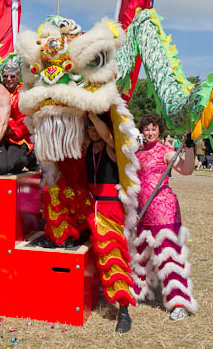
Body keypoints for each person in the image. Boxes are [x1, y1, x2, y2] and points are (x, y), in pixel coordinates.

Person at [131, 113, 198, 321]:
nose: (150, 132)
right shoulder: (138, 153)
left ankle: (179, 303)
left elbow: (187, 170)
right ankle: (141, 291)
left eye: (154, 129)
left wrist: (190, 147)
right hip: (142, 212)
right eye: (146, 129)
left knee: (169, 257)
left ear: (160, 131)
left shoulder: (167, 152)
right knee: (140, 253)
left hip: (164, 211)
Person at [84, 112, 135, 333]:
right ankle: (96, 295)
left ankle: (123, 311)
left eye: (96, 127)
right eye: (89, 127)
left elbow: (106, 135)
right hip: (90, 207)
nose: (93, 130)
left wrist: (92, 112)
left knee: (114, 257)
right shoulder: (86, 147)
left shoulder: (112, 147)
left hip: (110, 208)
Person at [0, 58, 38, 172]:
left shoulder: (25, 92)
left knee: (12, 167)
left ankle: (31, 157)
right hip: (2, 137)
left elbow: (26, 118)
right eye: (6, 76)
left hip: (20, 138)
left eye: (12, 76)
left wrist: (11, 129)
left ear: (18, 76)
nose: (9, 79)